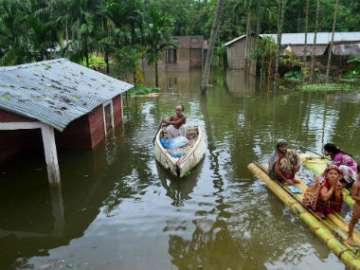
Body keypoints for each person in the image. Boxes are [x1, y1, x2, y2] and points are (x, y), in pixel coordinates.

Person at [347, 167, 360, 245]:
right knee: (354, 221)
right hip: (358, 206)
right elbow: (353, 196)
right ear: (358, 172)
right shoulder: (356, 184)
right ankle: (349, 236)